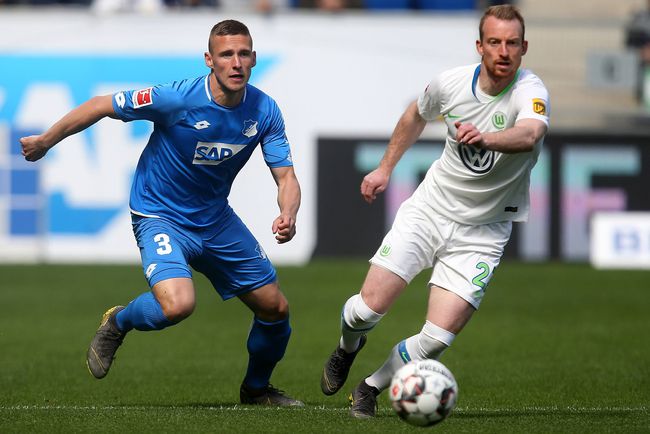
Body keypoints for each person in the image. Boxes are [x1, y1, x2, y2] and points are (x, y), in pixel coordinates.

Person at [21, 19, 303, 407]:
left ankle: (256, 390)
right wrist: (45, 141)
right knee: (178, 305)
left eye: (243, 54)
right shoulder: (177, 99)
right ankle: (118, 321)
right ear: (209, 60)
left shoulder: (264, 110)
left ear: (253, 58)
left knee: (275, 308)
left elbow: (286, 176)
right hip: (160, 214)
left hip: (215, 220)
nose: (236, 63)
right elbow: (101, 105)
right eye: (226, 55)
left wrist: (288, 213)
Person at [320, 4, 549, 418]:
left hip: (484, 230)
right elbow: (415, 114)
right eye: (494, 42)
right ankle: (346, 348)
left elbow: (530, 135)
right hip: (430, 211)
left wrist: (486, 138)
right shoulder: (450, 84)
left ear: (524, 47)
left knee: (438, 338)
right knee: (367, 309)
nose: (503, 51)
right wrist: (385, 168)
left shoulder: (530, 91)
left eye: (512, 43)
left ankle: (369, 388)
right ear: (479, 46)